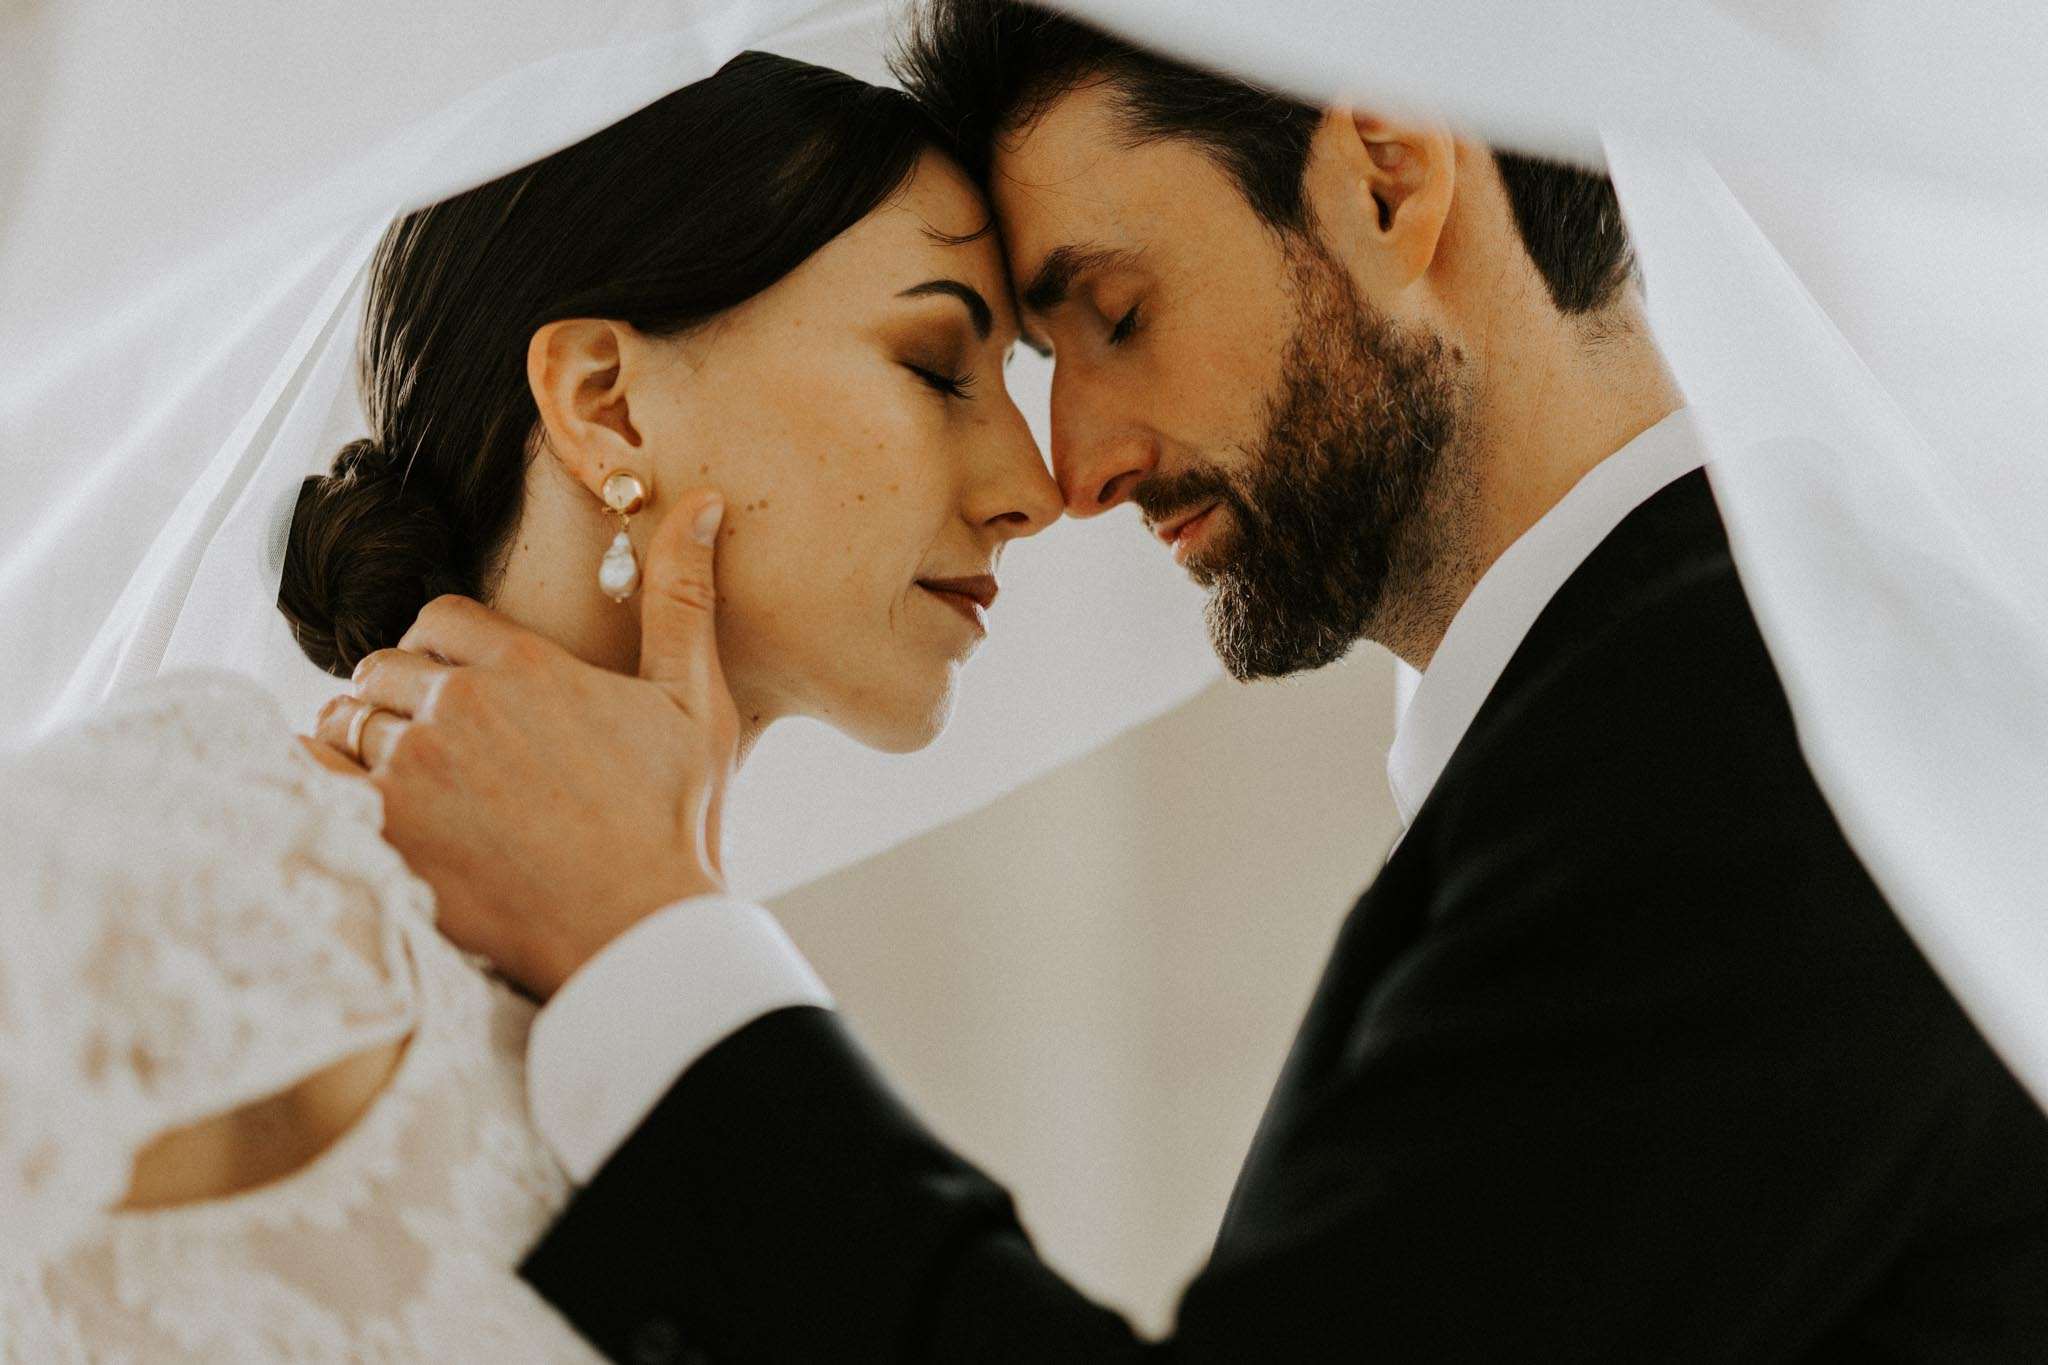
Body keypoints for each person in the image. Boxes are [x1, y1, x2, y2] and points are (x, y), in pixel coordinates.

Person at [324, 1, 2048, 1360]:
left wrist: (649, 942)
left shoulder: (1738, 740)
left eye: (1113, 312)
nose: (1068, 471)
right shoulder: (1670, 702)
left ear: (1388, 176)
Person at [0, 51, 1056, 1361]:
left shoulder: (723, 1052)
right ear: (607, 405)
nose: (1034, 483)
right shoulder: (231, 847)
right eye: (939, 365)